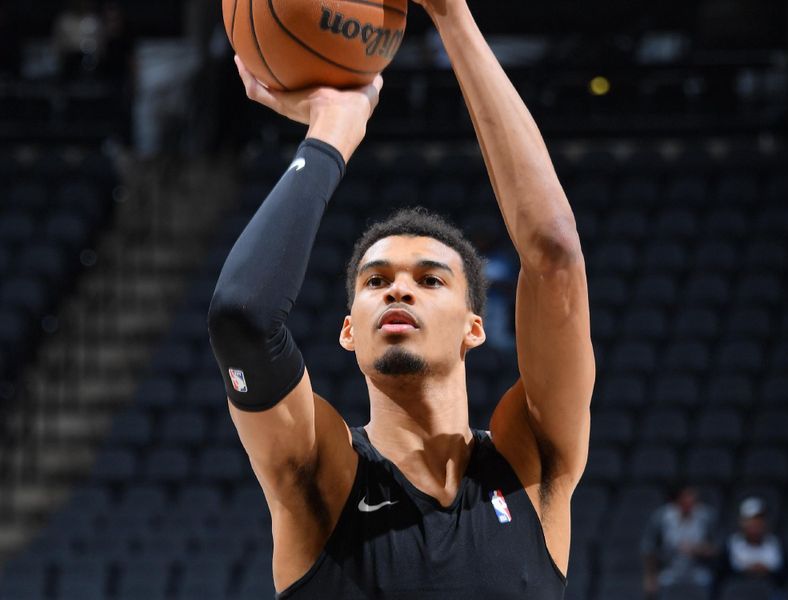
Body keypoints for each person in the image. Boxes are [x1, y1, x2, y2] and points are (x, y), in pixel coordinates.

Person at [207, 0, 594, 597]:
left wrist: (453, 16)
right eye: (375, 280)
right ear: (348, 330)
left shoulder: (530, 469)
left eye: (431, 279)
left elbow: (555, 253)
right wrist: (331, 129)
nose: (398, 288)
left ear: (475, 327)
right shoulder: (323, 475)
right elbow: (244, 316)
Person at [641, 485, 719, 599]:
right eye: (686, 497)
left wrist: (700, 549)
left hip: (698, 569)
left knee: (708, 581)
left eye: (693, 497)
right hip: (670, 569)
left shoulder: (706, 516)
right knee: (660, 585)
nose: (691, 500)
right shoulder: (662, 517)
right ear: (677, 500)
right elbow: (649, 548)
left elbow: (718, 547)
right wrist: (650, 576)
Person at [722, 497, 786, 589]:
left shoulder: (775, 543)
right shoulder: (731, 544)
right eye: (752, 520)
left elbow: (785, 574)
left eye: (759, 520)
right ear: (742, 522)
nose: (756, 525)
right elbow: (726, 574)